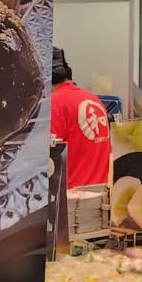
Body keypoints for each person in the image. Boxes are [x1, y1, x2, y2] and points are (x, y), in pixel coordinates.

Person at [49, 48, 111, 186]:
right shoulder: (94, 100)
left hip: (71, 200)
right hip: (101, 196)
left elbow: (48, 161)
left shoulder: (53, 104)